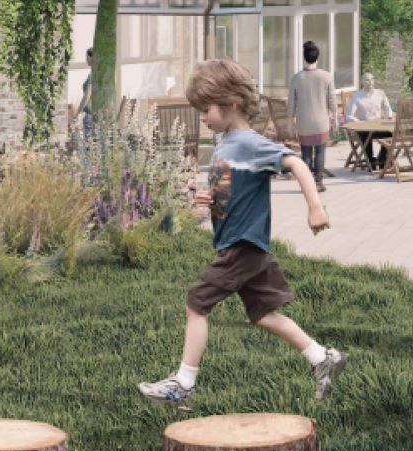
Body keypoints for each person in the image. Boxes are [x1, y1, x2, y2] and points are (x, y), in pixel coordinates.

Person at [137, 59, 345, 407]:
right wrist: (206, 195)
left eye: (206, 108)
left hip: (242, 245)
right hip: (242, 245)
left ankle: (183, 384)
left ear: (231, 103)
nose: (202, 116)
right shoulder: (226, 143)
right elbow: (227, 188)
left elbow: (296, 163)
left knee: (196, 303)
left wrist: (314, 207)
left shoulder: (249, 142)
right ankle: (321, 356)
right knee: (264, 314)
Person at [288, 41, 336, 193]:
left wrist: (290, 121)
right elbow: (332, 101)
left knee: (306, 153)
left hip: (304, 122)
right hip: (321, 121)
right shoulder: (326, 76)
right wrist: (334, 118)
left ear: (304, 57)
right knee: (321, 151)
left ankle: (307, 184)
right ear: (318, 57)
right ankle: (319, 182)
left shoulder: (297, 78)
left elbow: (291, 103)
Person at [346, 70, 394, 170]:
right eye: (367, 80)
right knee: (365, 136)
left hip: (378, 126)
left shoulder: (380, 93)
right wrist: (361, 123)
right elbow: (349, 116)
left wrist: (388, 115)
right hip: (364, 128)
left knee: (390, 134)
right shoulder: (357, 97)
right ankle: (370, 161)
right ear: (362, 82)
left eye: (372, 79)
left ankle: (383, 159)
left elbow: (388, 109)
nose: (370, 82)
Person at [76, 47, 97, 140]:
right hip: (97, 114)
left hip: (90, 115)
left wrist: (78, 113)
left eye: (86, 57)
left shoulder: (93, 75)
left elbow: (87, 96)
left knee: (88, 145)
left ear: (91, 58)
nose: (85, 59)